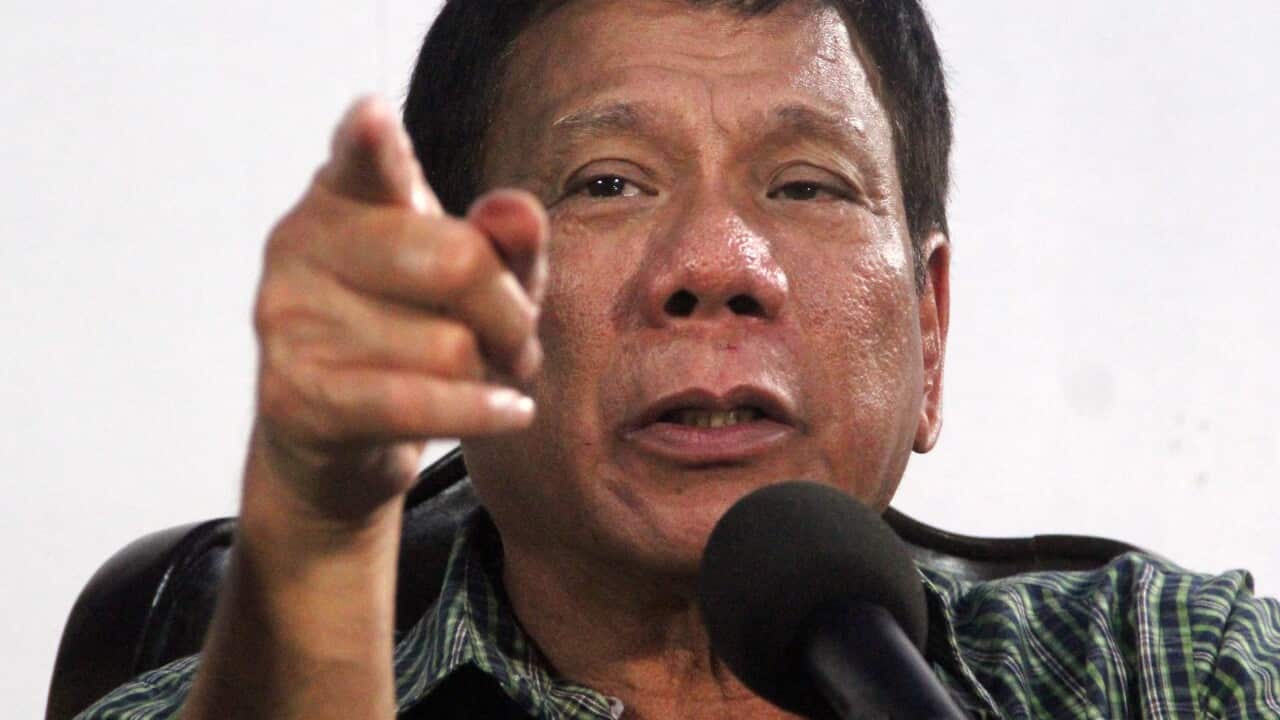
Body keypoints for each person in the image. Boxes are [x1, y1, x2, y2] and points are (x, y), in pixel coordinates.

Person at [78, 1, 1280, 718]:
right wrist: (317, 541)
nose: (718, 260)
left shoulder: (1164, 669)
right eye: (606, 183)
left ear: (929, 330)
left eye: (806, 184)